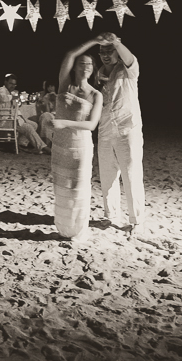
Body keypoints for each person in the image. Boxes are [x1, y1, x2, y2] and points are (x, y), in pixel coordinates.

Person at [51, 41, 103, 241]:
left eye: (89, 64)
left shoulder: (95, 94)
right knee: (61, 187)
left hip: (79, 146)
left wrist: (64, 123)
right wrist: (94, 41)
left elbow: (91, 125)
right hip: (60, 145)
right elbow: (69, 54)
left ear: (93, 70)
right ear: (75, 66)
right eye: (82, 63)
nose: (85, 66)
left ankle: (78, 230)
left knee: (77, 188)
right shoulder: (65, 85)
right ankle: (63, 228)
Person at [95, 32, 145, 237]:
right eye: (103, 52)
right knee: (107, 176)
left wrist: (115, 41)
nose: (106, 55)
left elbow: (131, 58)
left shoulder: (128, 71)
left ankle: (137, 220)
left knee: (131, 175)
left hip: (127, 128)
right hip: (105, 129)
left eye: (110, 51)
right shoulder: (97, 74)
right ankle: (110, 214)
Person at [0, 74, 49, 153]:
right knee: (28, 128)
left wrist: (22, 118)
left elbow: (15, 108)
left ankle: (19, 144)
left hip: (13, 119)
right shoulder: (1, 90)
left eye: (14, 84)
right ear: (5, 82)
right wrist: (14, 97)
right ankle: (43, 147)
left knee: (34, 125)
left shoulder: (11, 93)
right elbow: (3, 98)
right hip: (5, 120)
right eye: (10, 83)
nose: (12, 86)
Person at [36, 80, 57, 146]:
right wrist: (46, 101)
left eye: (52, 86)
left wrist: (56, 99)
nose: (50, 88)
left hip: (57, 116)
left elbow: (56, 110)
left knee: (47, 117)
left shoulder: (58, 97)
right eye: (48, 87)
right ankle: (46, 142)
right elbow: (47, 112)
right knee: (46, 117)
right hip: (48, 115)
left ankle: (46, 143)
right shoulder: (45, 97)